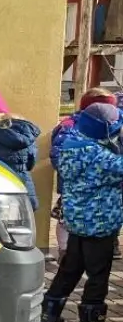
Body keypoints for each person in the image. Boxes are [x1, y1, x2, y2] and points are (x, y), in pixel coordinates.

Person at [40, 103, 123, 322]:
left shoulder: (71, 146)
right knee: (98, 274)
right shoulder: (99, 157)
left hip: (76, 221)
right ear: (104, 130)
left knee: (70, 269)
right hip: (100, 224)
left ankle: (49, 314)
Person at [52, 88, 117, 261]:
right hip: (77, 185)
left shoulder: (114, 124)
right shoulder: (70, 126)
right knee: (66, 219)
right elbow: (59, 154)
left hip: (103, 187)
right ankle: (65, 251)